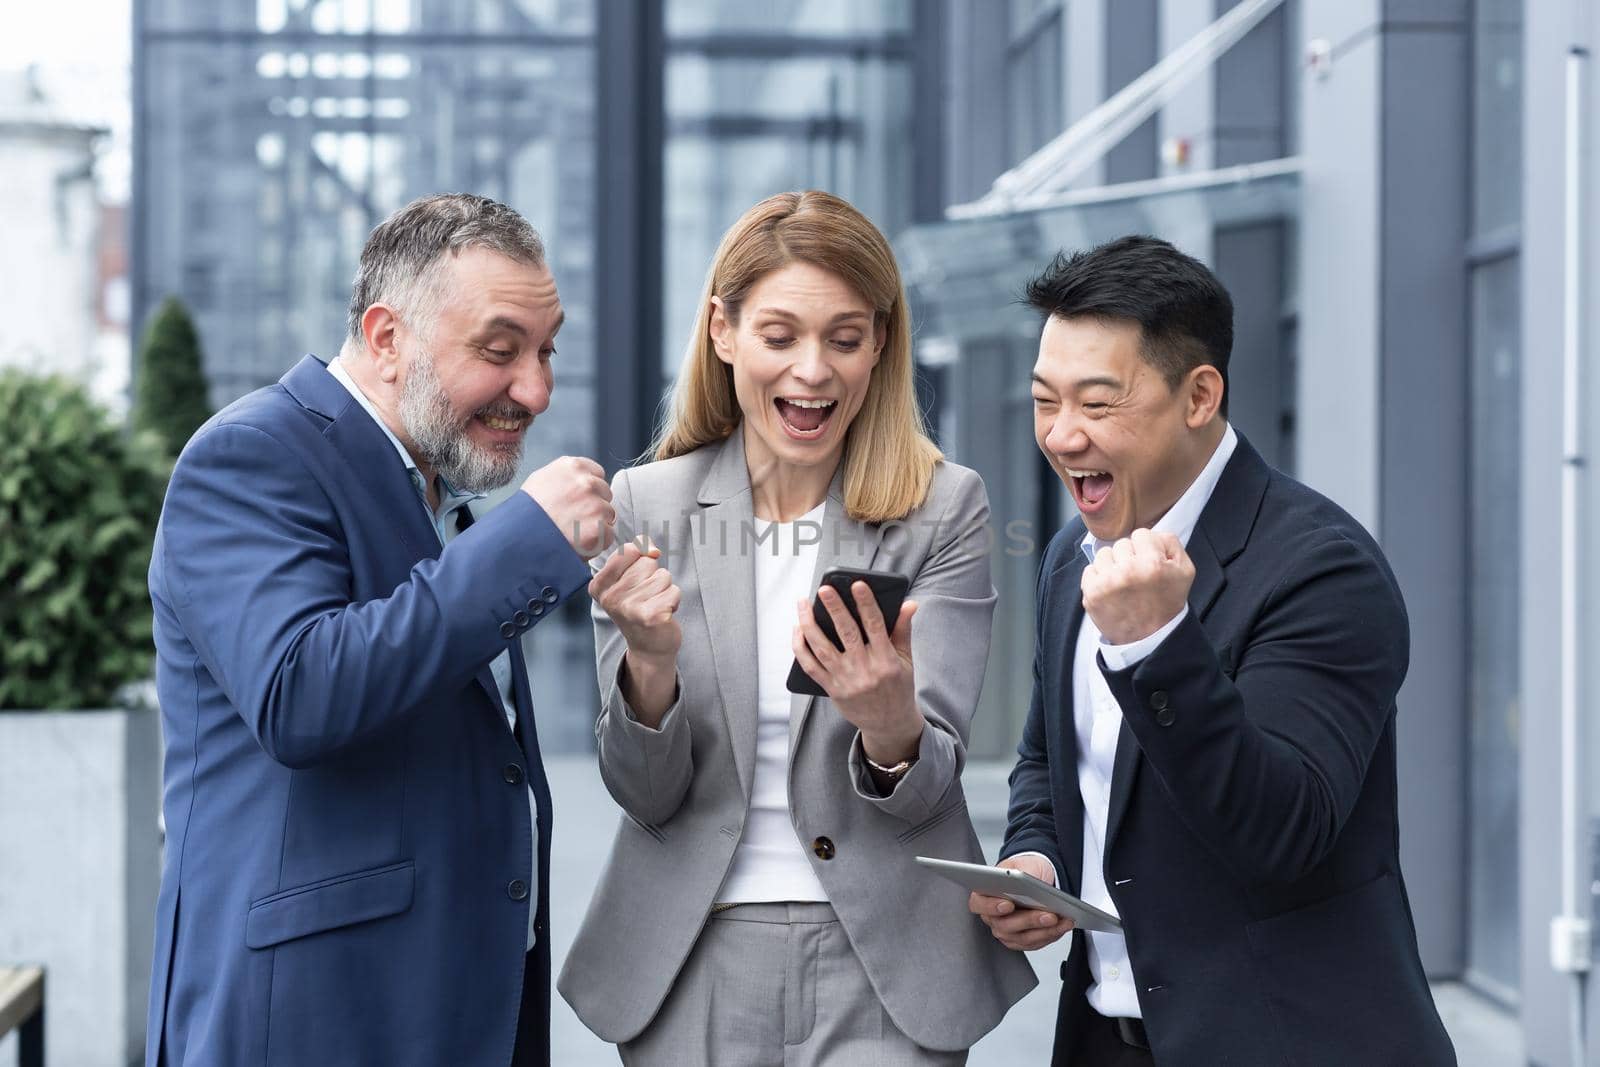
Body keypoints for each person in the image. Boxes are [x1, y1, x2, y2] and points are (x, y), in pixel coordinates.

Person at [558, 190, 1035, 1064]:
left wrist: (891, 722)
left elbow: (929, 789)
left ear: (880, 344)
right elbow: (643, 792)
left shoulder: (945, 507)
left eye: (844, 339)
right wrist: (651, 667)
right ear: (723, 330)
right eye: (780, 336)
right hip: (691, 953)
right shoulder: (648, 505)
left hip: (886, 957)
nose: (813, 371)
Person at [144, 193, 613, 1066]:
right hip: (311, 1020)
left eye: (546, 353)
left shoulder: (446, 499)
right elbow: (300, 694)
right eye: (501, 350)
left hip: (456, 1010)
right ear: (388, 336)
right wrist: (527, 544)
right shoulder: (248, 455)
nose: (537, 390)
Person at [971, 236, 1456, 1066]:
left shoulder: (1324, 569)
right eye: (1045, 400)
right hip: (1104, 1038)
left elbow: (1282, 832)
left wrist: (1155, 642)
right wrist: (1036, 858)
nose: (1061, 435)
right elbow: (1049, 760)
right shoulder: (1070, 557)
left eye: (1097, 402)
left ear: (1200, 395)